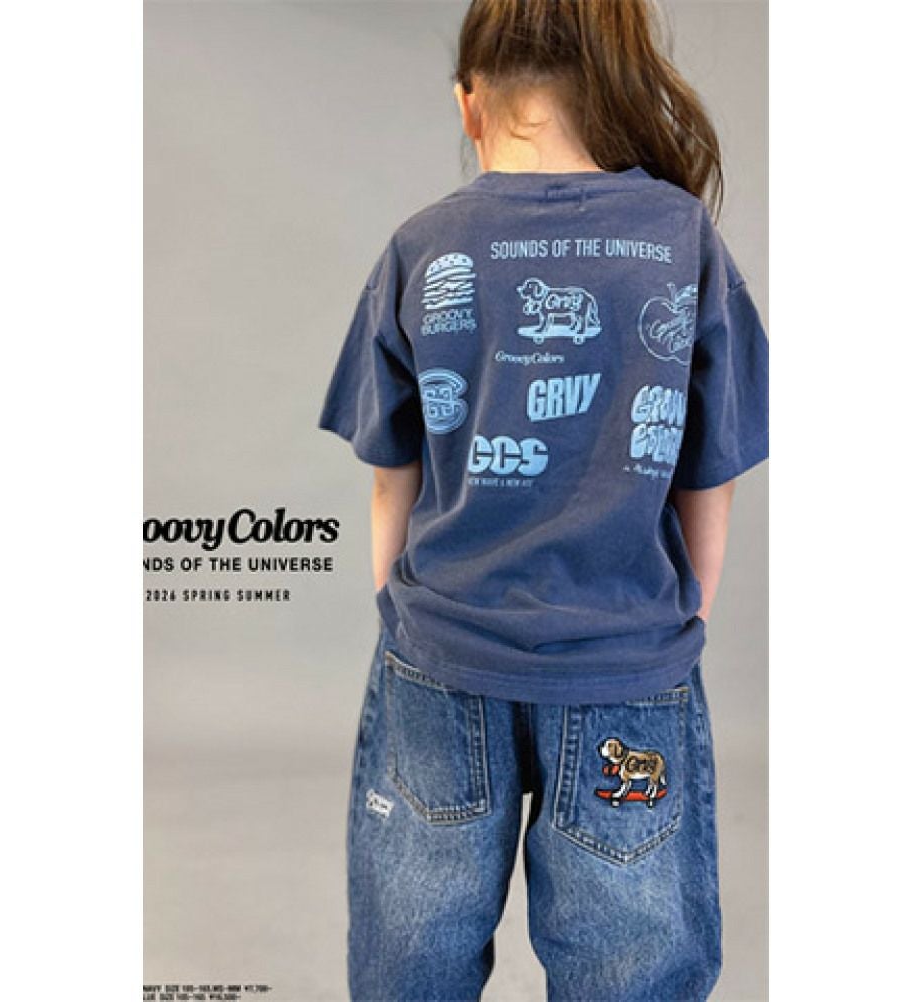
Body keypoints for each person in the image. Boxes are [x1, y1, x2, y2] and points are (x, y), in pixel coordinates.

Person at [317, 1, 768, 998]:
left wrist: (400, 605)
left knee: (413, 957)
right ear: (611, 83)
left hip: (443, 654)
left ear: (469, 105)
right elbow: (714, 464)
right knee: (629, 967)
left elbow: (391, 472)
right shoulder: (681, 239)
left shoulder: (423, 244)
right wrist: (685, 612)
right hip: (624, 660)